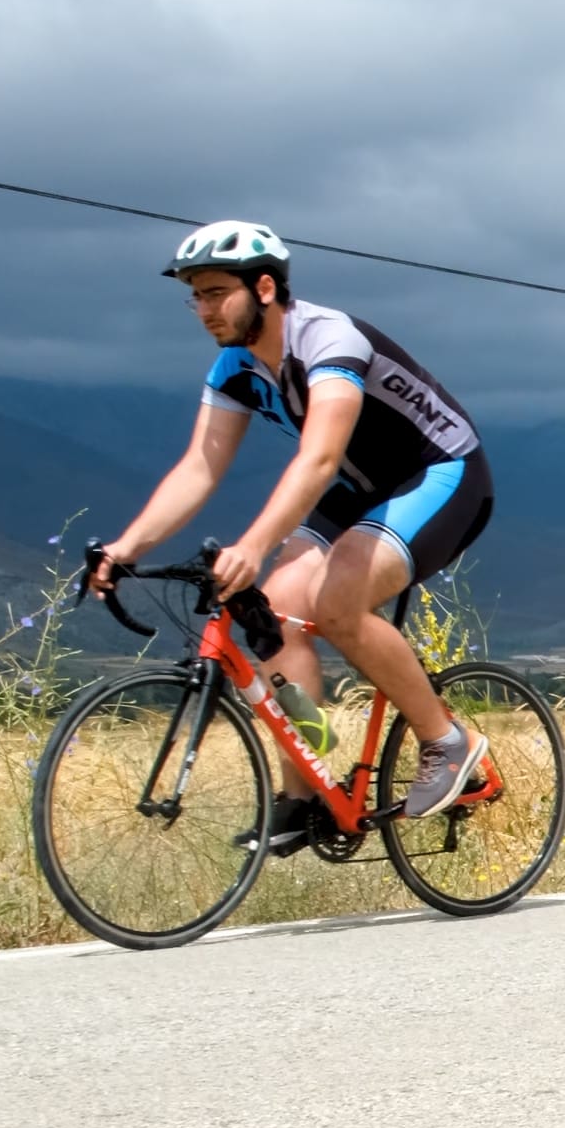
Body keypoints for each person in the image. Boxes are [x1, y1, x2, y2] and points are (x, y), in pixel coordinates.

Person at [89, 221, 497, 852]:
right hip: (363, 487)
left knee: (337, 603)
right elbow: (199, 468)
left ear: (264, 288)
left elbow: (318, 460)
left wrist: (253, 545)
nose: (204, 309)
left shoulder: (329, 340)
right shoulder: (235, 368)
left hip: (441, 474)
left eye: (216, 292)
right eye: (195, 296)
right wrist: (127, 547)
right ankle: (305, 795)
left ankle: (447, 742)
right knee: (275, 612)